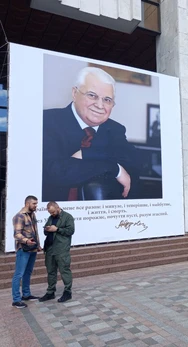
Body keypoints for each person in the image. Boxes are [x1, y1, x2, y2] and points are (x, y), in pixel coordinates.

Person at [42, 67, 142, 202]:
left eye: (107, 99)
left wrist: (87, 154)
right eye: (92, 95)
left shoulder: (115, 129)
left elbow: (134, 161)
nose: (100, 105)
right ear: (74, 93)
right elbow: (57, 172)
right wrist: (114, 167)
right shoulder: (47, 120)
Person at [39, 202, 75, 303]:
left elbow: (71, 231)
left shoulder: (67, 217)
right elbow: (46, 231)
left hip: (61, 249)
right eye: (50, 213)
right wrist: (47, 229)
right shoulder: (51, 218)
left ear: (58, 207)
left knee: (64, 270)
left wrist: (57, 229)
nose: (52, 214)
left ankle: (67, 292)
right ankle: (50, 292)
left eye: (53, 212)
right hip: (49, 248)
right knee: (50, 271)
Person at [11, 195, 42, 309]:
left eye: (36, 204)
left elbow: (35, 232)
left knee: (28, 273)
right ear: (27, 203)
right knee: (18, 274)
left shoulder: (32, 215)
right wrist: (26, 241)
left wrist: (38, 245)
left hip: (32, 248)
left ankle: (26, 294)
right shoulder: (19, 216)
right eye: (34, 203)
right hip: (23, 249)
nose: (36, 206)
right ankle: (16, 300)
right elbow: (17, 234)